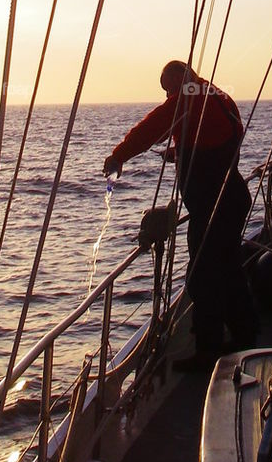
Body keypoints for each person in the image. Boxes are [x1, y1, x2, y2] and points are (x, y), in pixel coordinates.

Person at [103, 60, 258, 369]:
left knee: (202, 275)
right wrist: (180, 151)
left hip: (213, 207)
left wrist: (117, 156)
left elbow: (149, 129)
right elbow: (219, 139)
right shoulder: (216, 96)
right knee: (228, 269)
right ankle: (245, 336)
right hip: (231, 199)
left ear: (178, 78)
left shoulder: (187, 98)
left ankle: (208, 352)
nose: (167, 97)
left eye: (168, 88)